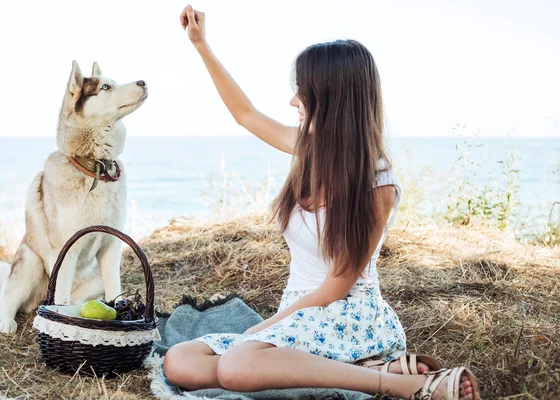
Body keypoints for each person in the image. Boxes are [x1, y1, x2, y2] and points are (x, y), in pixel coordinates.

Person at [164, 5, 480, 399]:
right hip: (301, 312)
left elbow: (335, 287)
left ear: (333, 99)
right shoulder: (312, 150)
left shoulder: (377, 184)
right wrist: (201, 44)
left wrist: (263, 328)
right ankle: (361, 369)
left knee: (236, 365)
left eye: (304, 91)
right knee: (180, 360)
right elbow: (245, 114)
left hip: (346, 314)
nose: (293, 100)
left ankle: (399, 384)